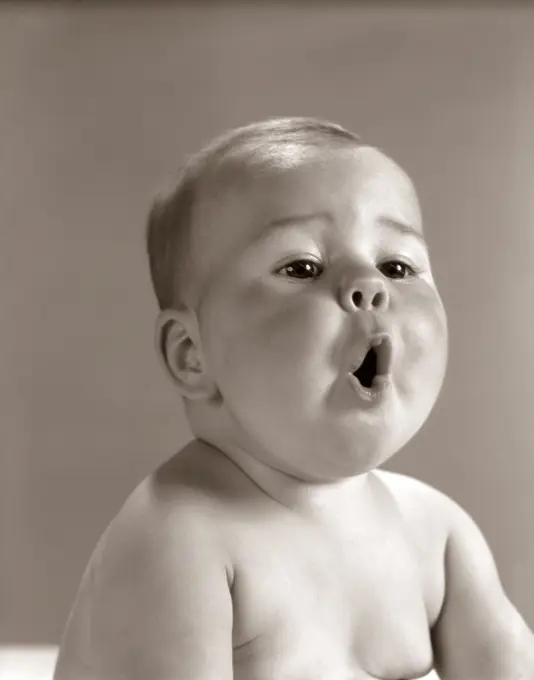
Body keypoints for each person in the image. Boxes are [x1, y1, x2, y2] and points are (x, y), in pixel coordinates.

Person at [53, 117, 534, 680]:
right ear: (192, 353)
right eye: (303, 267)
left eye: (396, 265)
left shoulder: (435, 533)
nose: (368, 286)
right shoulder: (181, 541)